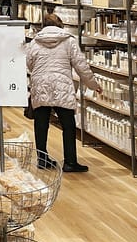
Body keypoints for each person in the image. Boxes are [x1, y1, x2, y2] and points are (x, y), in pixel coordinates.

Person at [27, 13, 100, 172]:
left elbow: (29, 63)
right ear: (60, 25)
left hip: (41, 85)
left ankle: (42, 159)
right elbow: (81, 66)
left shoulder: (34, 42)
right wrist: (93, 85)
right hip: (62, 86)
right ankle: (70, 162)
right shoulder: (69, 41)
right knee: (68, 125)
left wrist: (40, 74)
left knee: (41, 124)